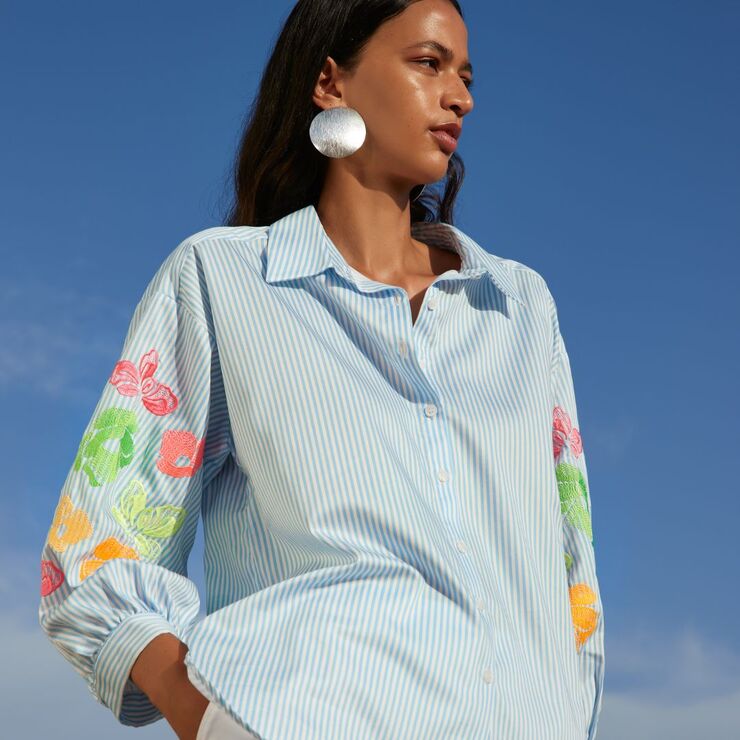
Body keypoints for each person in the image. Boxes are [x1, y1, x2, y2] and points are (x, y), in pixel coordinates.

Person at [37, 0, 605, 738]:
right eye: (428, 63)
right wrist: (207, 719)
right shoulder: (221, 281)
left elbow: (572, 576)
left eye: (466, 77)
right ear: (331, 83)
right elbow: (93, 551)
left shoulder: (518, 307)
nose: (460, 97)